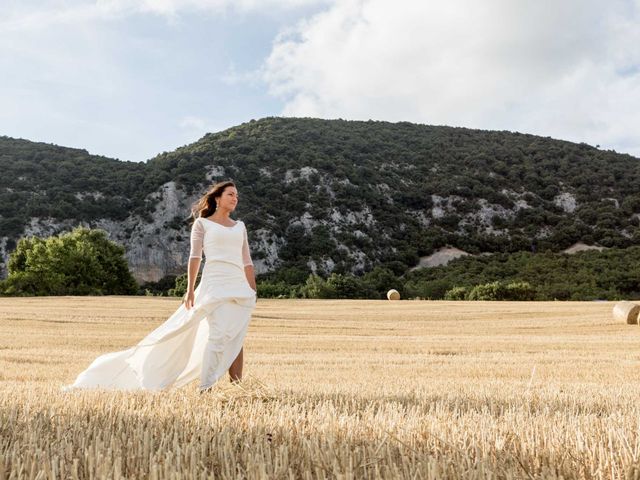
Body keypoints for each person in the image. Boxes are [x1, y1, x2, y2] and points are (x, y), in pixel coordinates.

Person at [63, 180, 257, 392]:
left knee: (236, 335)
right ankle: (206, 388)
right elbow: (195, 258)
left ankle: (238, 388)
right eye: (230, 194)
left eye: (236, 195)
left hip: (239, 287)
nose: (235, 198)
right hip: (215, 284)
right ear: (217, 199)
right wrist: (190, 289)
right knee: (219, 334)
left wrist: (253, 290)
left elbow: (247, 261)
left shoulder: (240, 227)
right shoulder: (202, 224)